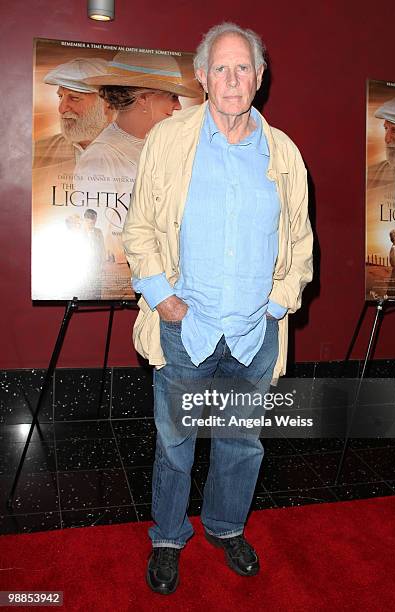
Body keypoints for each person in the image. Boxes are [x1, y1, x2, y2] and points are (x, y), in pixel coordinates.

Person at [122, 22, 313, 595]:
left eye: (244, 68)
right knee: (176, 446)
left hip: (255, 333)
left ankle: (227, 527)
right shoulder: (169, 140)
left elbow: (301, 242)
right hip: (189, 328)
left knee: (241, 445)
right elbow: (141, 229)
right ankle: (169, 536)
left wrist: (280, 305)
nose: (233, 79)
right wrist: (164, 299)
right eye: (221, 68)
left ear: (260, 76)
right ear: (201, 77)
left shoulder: (284, 153)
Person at [74, 51, 201, 264]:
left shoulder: (160, 147)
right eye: (172, 96)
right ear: (143, 99)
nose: (178, 106)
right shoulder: (100, 157)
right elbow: (99, 239)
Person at [34, 58, 114, 171]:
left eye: (75, 98)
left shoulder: (141, 153)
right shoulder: (38, 151)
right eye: (60, 97)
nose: (61, 109)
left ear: (108, 103)